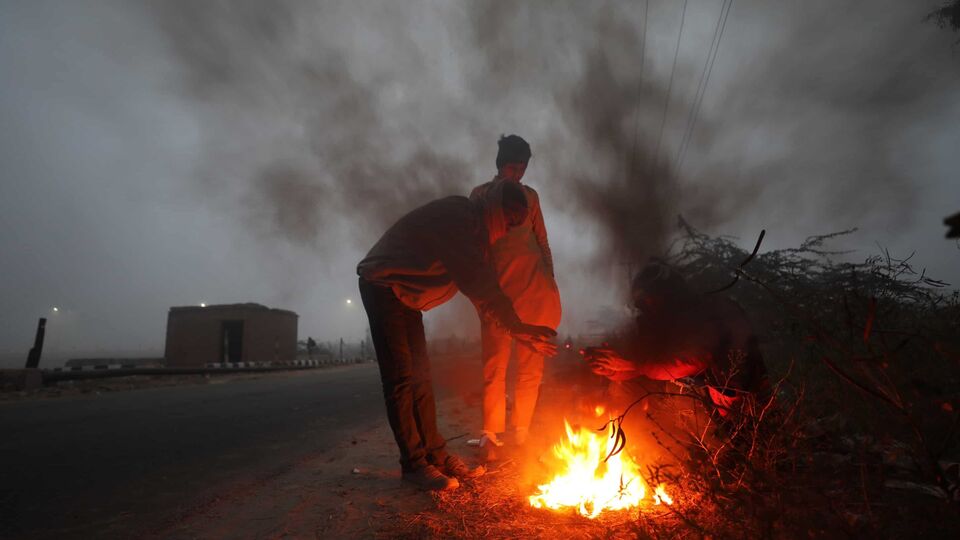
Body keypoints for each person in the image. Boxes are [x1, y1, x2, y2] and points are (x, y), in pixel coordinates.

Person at [357, 181, 557, 491]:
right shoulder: (459, 219)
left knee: (421, 377)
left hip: (406, 295)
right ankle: (413, 464)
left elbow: (486, 287)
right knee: (401, 379)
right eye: (509, 220)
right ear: (493, 208)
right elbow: (479, 283)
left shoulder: (478, 234)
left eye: (516, 224)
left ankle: (435, 455)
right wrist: (517, 326)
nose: (508, 230)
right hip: (383, 284)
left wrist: (518, 330)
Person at [583, 262, 769, 423]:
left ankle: (706, 453)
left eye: (650, 298)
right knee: (624, 388)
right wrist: (610, 367)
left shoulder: (707, 311)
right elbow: (640, 359)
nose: (647, 305)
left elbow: (693, 360)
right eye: (643, 302)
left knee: (680, 395)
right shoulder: (657, 319)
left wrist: (633, 364)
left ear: (669, 294)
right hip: (702, 398)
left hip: (739, 400)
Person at [469, 135, 562, 456]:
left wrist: (550, 277)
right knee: (494, 363)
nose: (517, 175)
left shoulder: (531, 197)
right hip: (498, 294)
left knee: (531, 365)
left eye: (522, 168)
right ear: (500, 164)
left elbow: (543, 241)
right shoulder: (480, 195)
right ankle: (490, 434)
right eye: (512, 167)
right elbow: (476, 245)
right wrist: (481, 289)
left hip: (536, 290)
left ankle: (521, 433)